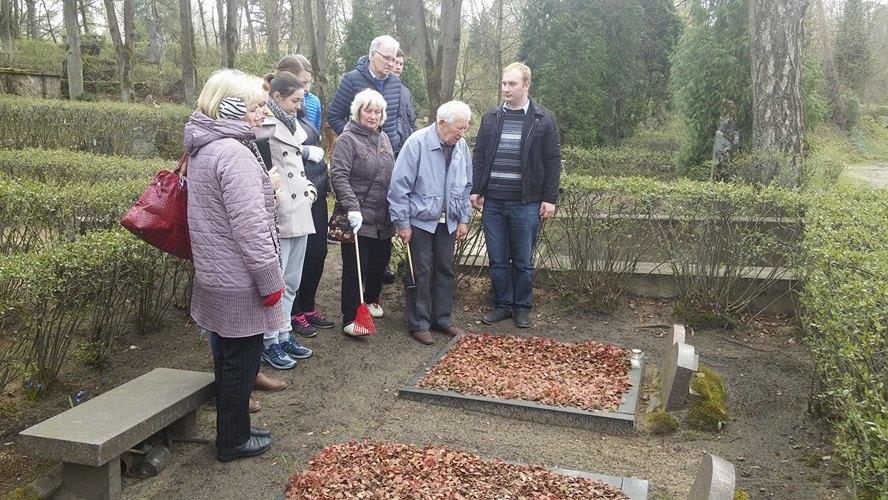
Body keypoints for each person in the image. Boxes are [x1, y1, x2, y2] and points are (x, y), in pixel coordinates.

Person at [185, 69, 280, 461]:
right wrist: (270, 280)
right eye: (256, 106)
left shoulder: (205, 146)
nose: (263, 113)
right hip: (240, 278)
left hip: (216, 272)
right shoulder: (234, 153)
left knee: (227, 358)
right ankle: (233, 440)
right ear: (230, 108)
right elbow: (250, 227)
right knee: (241, 361)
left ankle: (234, 426)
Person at [470, 62, 562, 329]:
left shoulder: (543, 119)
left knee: (523, 261)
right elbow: (479, 155)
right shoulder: (490, 117)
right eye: (503, 83)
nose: (506, 88)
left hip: (526, 203)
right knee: (497, 259)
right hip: (493, 202)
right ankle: (502, 305)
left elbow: (553, 160)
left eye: (512, 84)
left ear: (526, 85)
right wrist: (476, 188)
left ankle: (522, 307)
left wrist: (550, 198)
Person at [388, 101, 472, 345]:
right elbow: (399, 187)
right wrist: (402, 223)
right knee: (421, 270)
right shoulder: (416, 142)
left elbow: (466, 186)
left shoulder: (461, 146)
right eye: (459, 128)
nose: (462, 134)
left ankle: (442, 319)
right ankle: (419, 323)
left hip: (448, 221)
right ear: (441, 122)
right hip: (419, 221)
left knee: (445, 269)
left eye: (465, 128)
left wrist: (463, 218)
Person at [254, 71, 319, 369]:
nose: (299, 106)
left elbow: (298, 165)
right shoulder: (263, 124)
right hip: (280, 212)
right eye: (295, 100)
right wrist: (276, 196)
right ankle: (269, 342)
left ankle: (283, 332)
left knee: (292, 280)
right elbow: (262, 166)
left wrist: (310, 190)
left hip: (299, 209)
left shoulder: (292, 124)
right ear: (277, 97)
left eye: (301, 100)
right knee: (276, 283)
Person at [330, 89, 394, 336]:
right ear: (358, 112)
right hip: (357, 215)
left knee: (379, 262)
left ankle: (370, 300)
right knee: (356, 267)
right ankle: (351, 317)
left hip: (382, 216)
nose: (373, 116)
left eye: (378, 111)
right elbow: (339, 175)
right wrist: (352, 207)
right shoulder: (347, 139)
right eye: (368, 110)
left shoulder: (383, 138)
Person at [327, 35, 406, 156]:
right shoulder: (352, 80)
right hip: (360, 157)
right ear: (372, 55)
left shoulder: (396, 83)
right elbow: (334, 116)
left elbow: (399, 115)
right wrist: (354, 141)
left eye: (393, 59)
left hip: (389, 153)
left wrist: (397, 137)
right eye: (386, 58)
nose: (391, 64)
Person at [277, 54, 322, 132]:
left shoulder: (314, 101)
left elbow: (316, 132)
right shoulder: (265, 105)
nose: (307, 89)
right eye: (303, 83)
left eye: (309, 82)